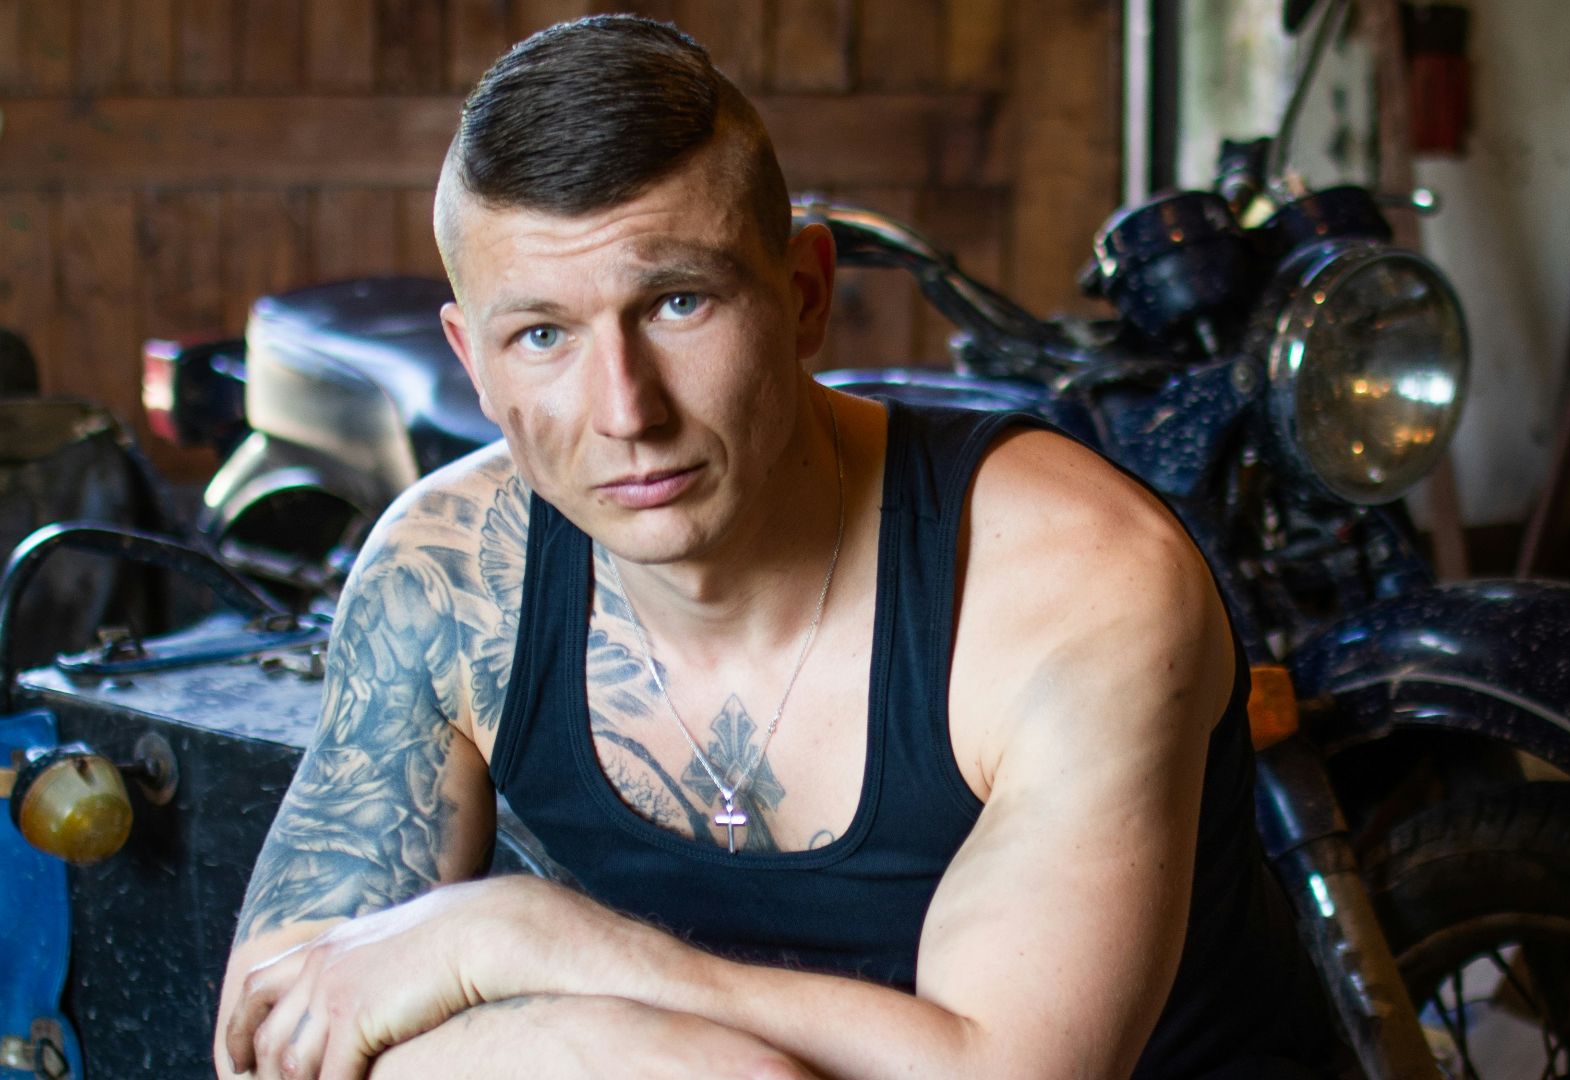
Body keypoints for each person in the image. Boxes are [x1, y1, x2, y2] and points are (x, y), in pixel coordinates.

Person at [216, 15, 1316, 1079]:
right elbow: (271, 1032)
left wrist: (526, 944)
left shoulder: (1070, 578)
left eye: (678, 302)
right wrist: (599, 1051)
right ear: (474, 358)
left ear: (803, 295)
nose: (625, 411)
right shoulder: (451, 575)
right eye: (542, 334)